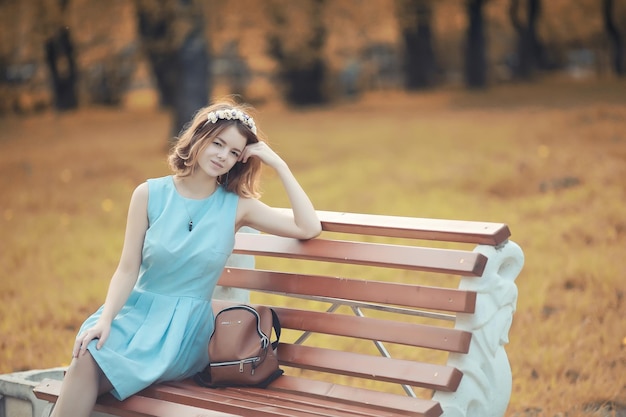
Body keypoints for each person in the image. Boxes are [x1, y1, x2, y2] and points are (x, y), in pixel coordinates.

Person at [50, 99, 322, 417]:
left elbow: (308, 226)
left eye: (234, 152)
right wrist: (106, 319)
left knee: (86, 373)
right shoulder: (149, 194)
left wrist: (278, 163)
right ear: (198, 138)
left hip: (184, 330)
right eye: (218, 143)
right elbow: (126, 270)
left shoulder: (238, 206)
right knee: (86, 356)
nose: (223, 156)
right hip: (133, 315)